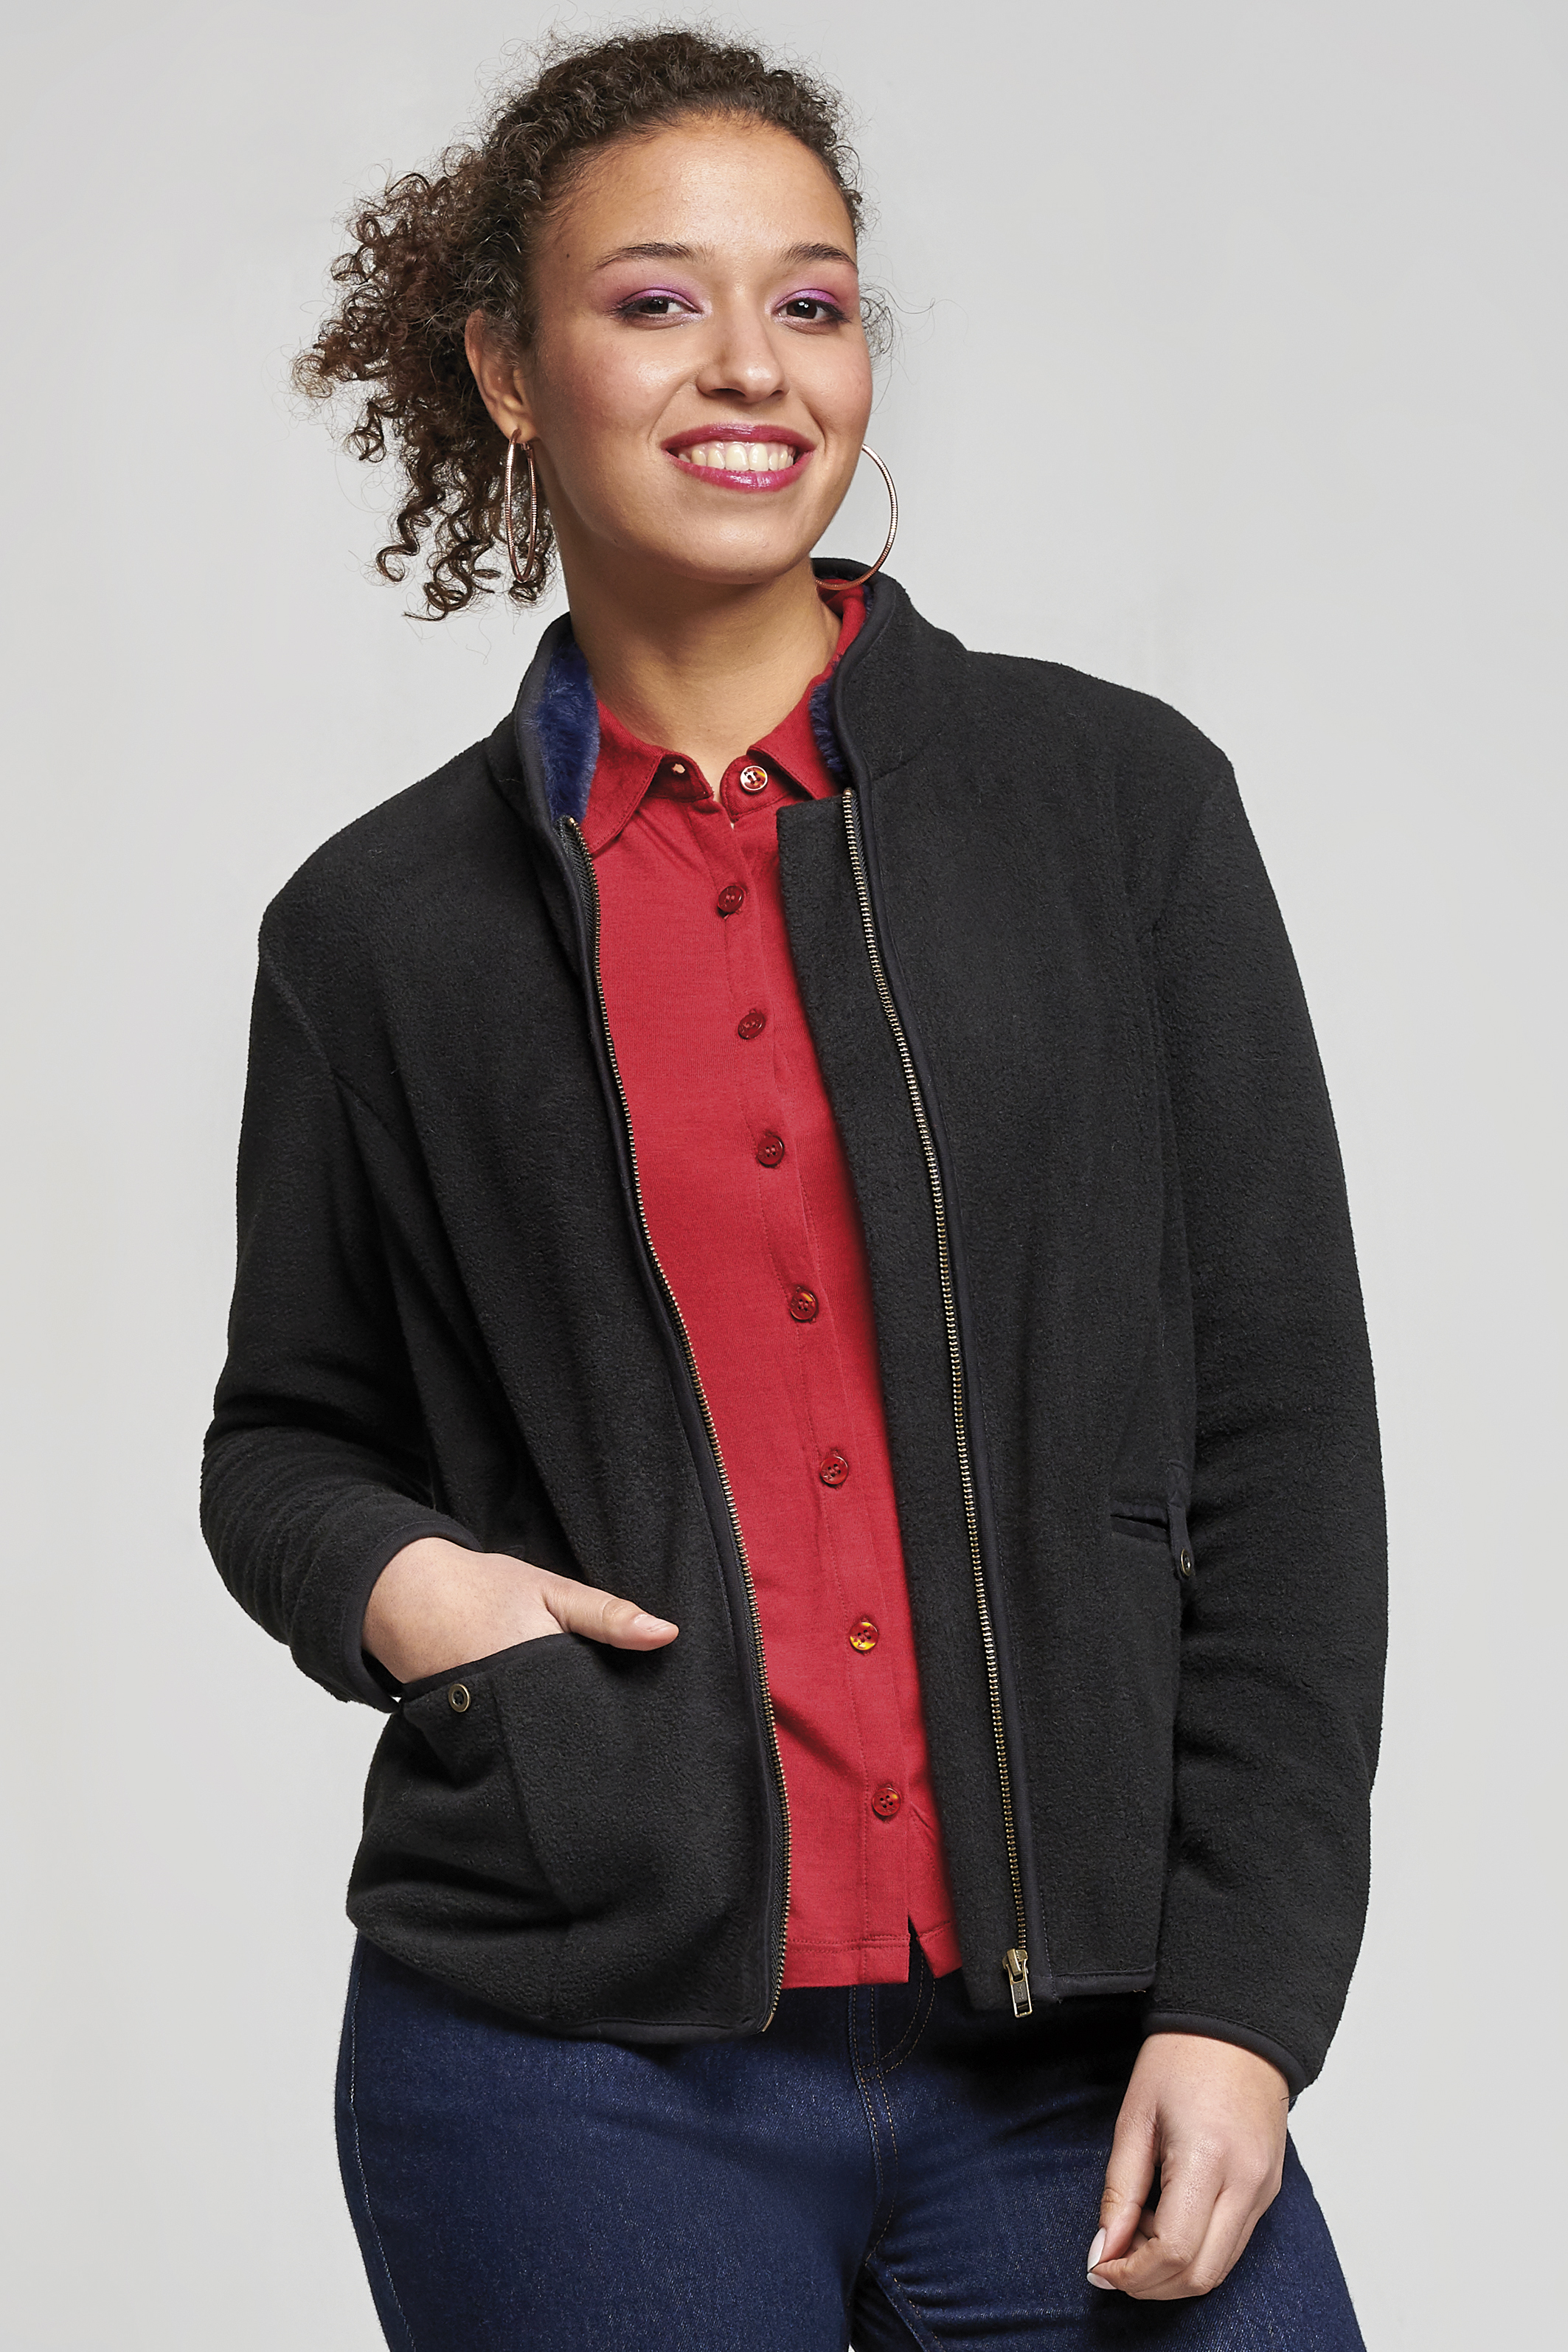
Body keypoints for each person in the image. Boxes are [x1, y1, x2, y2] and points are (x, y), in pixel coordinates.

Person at [203, 28, 1386, 2350]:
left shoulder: (1117, 809)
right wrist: (418, 1596)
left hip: (1083, 2042)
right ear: (507, 369)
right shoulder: (377, 932)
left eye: (812, 300)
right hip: (568, 2067)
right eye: (656, 300)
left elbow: (1284, 1433)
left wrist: (1246, 2002)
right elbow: (286, 1440)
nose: (751, 364)